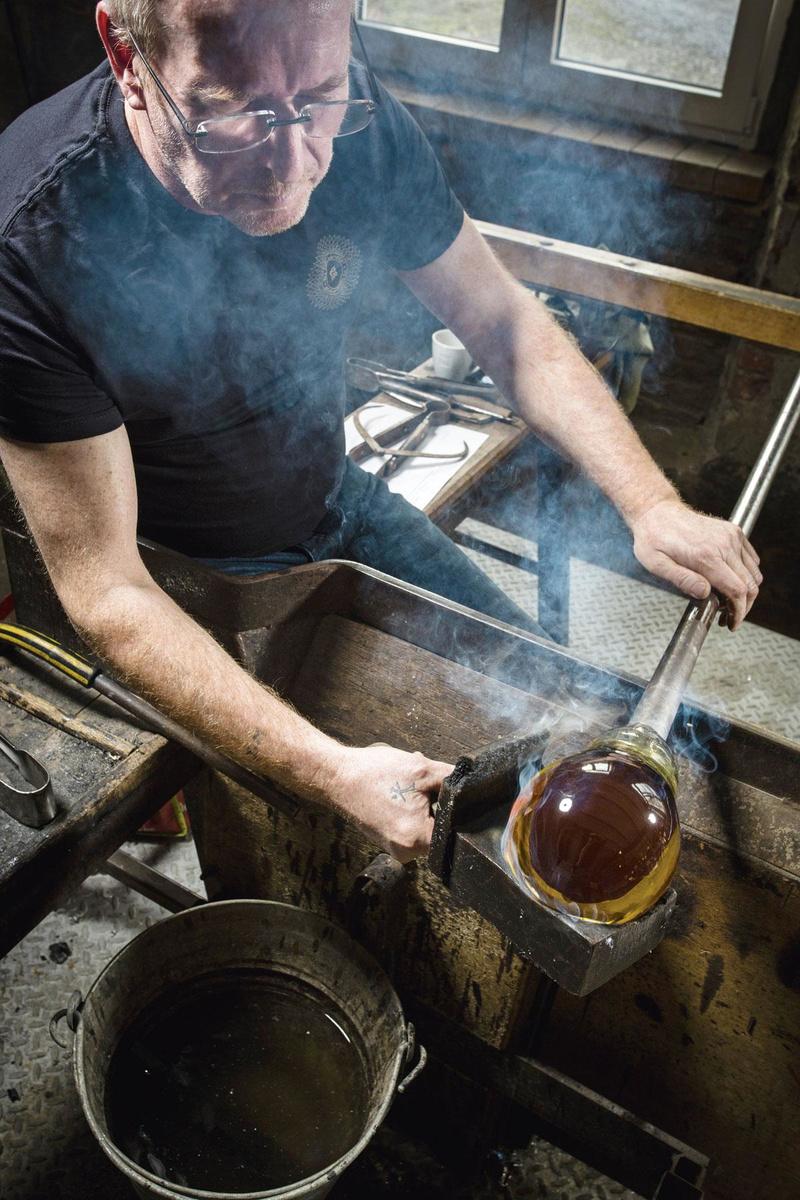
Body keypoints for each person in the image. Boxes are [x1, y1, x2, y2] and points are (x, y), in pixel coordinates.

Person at [0, 0, 761, 863]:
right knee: (305, 844)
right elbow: (107, 591)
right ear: (125, 54)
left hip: (337, 497)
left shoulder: (354, 124)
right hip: (191, 579)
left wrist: (652, 503)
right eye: (234, 112)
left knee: (566, 710)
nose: (294, 164)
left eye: (320, 97)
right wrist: (331, 771)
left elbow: (502, 320)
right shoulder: (31, 239)